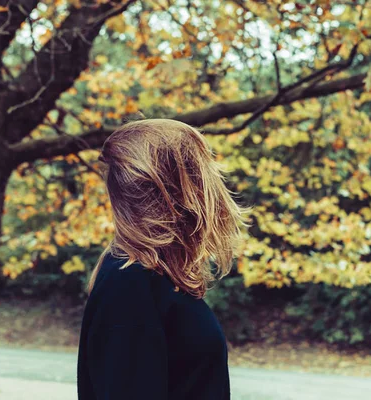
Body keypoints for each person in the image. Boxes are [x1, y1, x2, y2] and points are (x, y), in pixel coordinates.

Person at [77, 118, 246, 400]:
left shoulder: (155, 276)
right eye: (201, 168)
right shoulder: (129, 281)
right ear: (176, 187)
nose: (212, 181)